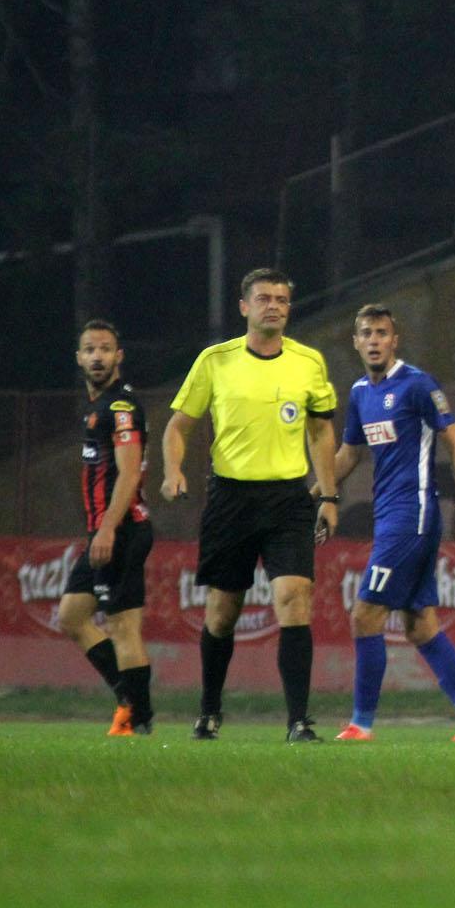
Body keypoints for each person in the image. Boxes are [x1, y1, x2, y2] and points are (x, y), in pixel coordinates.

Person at [163, 267, 339, 743]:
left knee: (293, 599)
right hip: (231, 499)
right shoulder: (215, 360)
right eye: (263, 298)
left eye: (282, 299)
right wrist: (173, 470)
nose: (274, 306)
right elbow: (177, 426)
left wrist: (328, 493)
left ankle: (299, 721)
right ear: (244, 307)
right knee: (222, 610)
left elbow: (321, 430)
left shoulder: (308, 362)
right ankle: (209, 710)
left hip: (287, 499)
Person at [330, 305, 455, 743]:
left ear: (394, 339)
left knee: (365, 614)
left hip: (413, 516)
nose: (373, 340)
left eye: (381, 333)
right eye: (365, 333)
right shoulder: (361, 392)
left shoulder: (417, 385)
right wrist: (315, 493)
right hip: (391, 518)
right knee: (420, 624)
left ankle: (360, 724)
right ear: (355, 341)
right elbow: (349, 455)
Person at [55, 320, 155, 736]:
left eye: (106, 349)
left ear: (119, 357)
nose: (97, 356)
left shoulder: (119, 408)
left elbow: (129, 475)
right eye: (90, 349)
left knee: (122, 626)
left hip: (123, 529)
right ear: (79, 357)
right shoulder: (96, 409)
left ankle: (138, 720)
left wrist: (108, 530)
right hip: (105, 530)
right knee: (72, 616)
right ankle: (129, 701)